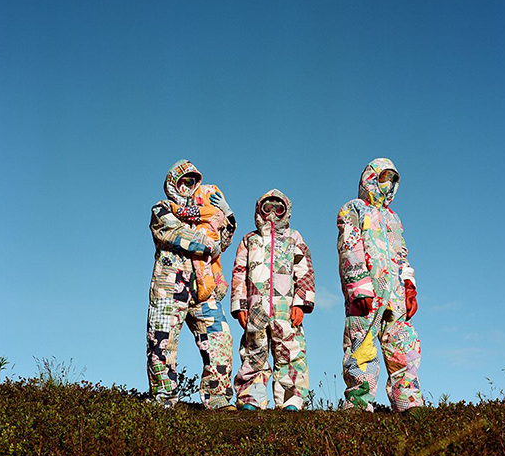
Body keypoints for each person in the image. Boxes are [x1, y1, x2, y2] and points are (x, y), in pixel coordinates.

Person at [147, 159, 236, 409]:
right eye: (182, 181)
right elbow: (176, 235)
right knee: (162, 341)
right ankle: (164, 399)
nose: (187, 186)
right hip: (169, 287)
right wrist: (210, 241)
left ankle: (217, 397)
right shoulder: (162, 209)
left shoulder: (206, 212)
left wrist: (227, 216)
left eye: (191, 181)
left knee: (220, 338)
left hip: (203, 287)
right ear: (172, 184)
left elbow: (222, 242)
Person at [336, 158, 422, 411]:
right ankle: (359, 403)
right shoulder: (354, 209)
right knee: (361, 345)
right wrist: (358, 287)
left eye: (394, 180)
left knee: (403, 344)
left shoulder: (394, 219)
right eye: (385, 177)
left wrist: (409, 286)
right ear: (371, 178)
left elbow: (401, 253)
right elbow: (349, 248)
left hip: (394, 293)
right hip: (367, 291)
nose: (390, 185)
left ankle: (409, 402)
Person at [230, 190, 315, 410]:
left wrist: (300, 303)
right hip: (255, 307)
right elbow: (239, 272)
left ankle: (291, 400)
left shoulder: (294, 238)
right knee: (253, 352)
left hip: (286, 309)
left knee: (290, 351)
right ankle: (251, 398)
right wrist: (240, 306)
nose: (273, 214)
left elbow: (304, 271)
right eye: (267, 208)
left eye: (278, 209)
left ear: (286, 211)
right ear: (259, 210)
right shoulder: (250, 240)